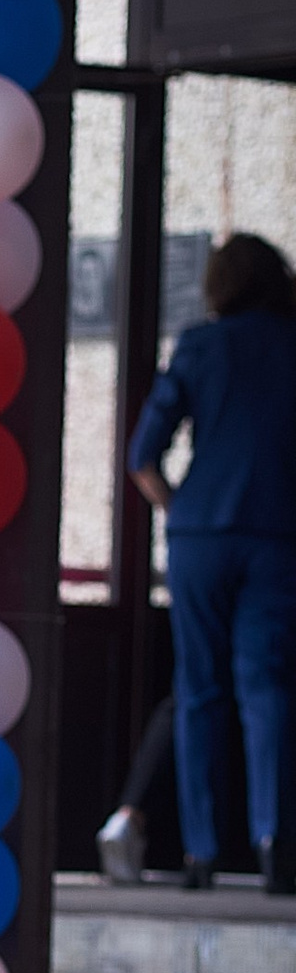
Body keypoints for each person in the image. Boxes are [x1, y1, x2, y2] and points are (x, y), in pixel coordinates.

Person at [128, 230, 296, 896]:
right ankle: (272, 842)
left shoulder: (199, 345)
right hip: (276, 533)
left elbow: (143, 457)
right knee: (266, 686)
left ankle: (199, 852)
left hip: (200, 535)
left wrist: (179, 508)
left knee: (199, 689)